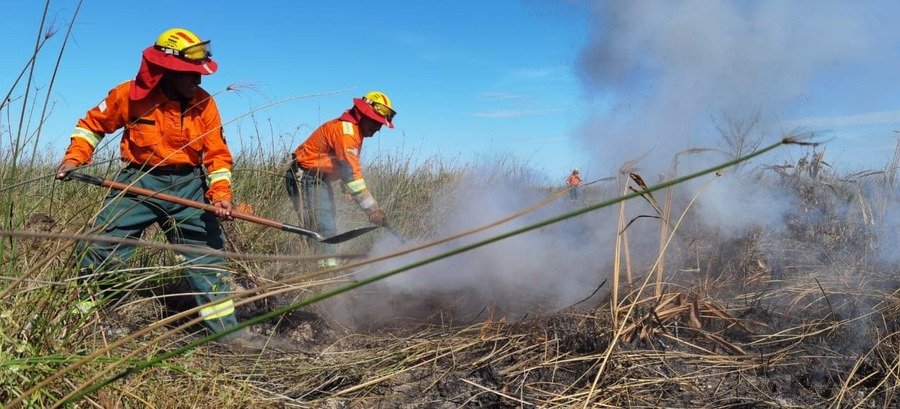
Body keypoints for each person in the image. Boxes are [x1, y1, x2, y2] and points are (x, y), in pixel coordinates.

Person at [55, 28, 240, 337]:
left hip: (189, 188)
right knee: (101, 248)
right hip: (137, 183)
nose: (198, 80)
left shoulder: (205, 103)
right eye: (190, 73)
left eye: (199, 73)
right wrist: (75, 157)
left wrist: (221, 193)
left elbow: (217, 154)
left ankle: (227, 336)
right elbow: (92, 125)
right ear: (167, 71)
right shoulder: (127, 95)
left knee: (208, 261)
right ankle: (84, 324)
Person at [285, 91, 396, 266]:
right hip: (306, 177)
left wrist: (346, 187)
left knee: (324, 224)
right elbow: (352, 176)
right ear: (362, 116)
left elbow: (343, 167)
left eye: (380, 124)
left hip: (318, 178)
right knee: (323, 226)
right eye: (375, 122)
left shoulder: (353, 131)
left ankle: (322, 265)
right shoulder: (347, 133)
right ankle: (326, 272)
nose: (378, 129)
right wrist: (372, 209)